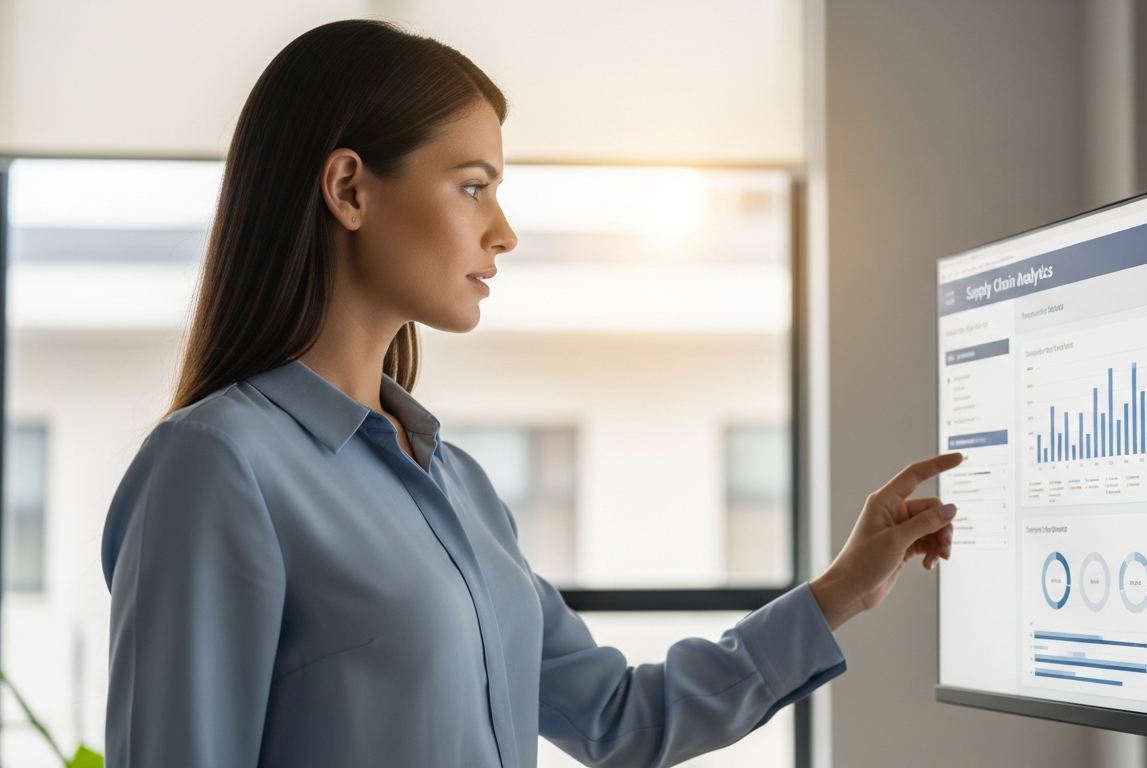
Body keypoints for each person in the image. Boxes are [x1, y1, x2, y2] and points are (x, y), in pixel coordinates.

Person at [100, 19, 962, 768]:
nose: (503, 231)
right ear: (349, 189)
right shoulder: (216, 468)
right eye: (473, 186)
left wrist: (844, 587)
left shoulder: (458, 486)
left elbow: (620, 717)